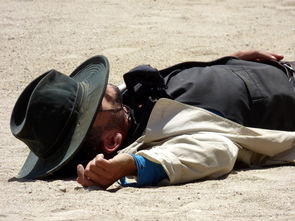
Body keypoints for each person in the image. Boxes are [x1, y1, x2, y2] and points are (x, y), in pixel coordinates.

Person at [10, 50, 295, 189]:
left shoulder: (128, 103)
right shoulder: (160, 140)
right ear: (113, 140)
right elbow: (217, 152)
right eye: (90, 106)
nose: (99, 91)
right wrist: (133, 164)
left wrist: (230, 61)